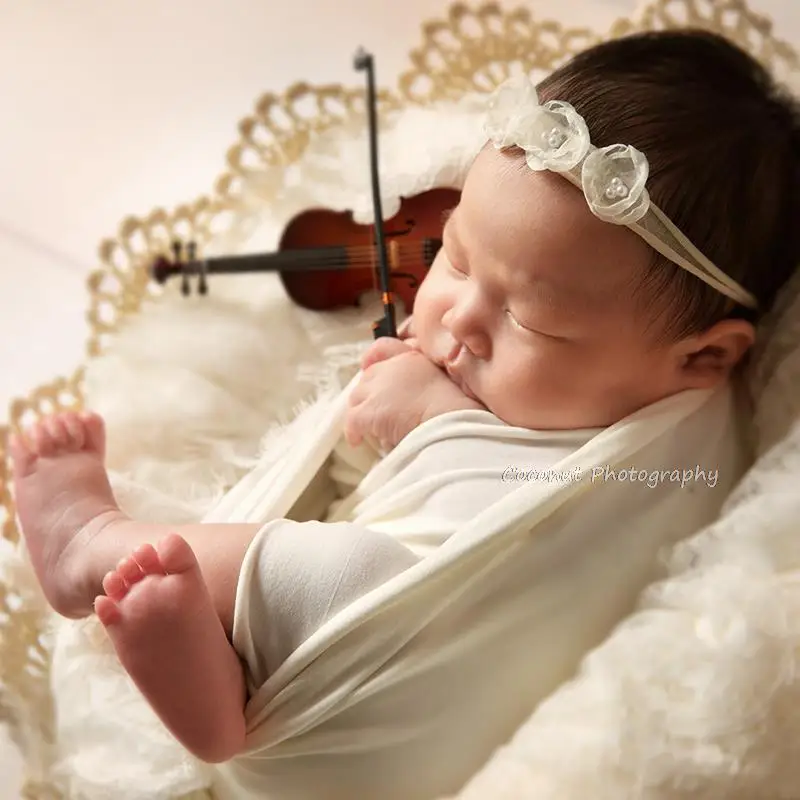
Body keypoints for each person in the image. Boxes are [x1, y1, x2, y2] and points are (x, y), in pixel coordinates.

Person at [9, 28, 800, 798]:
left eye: (530, 321)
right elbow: (381, 488)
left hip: (376, 728)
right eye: (455, 255)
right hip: (367, 735)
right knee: (332, 567)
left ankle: (94, 543)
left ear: (706, 357)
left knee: (344, 569)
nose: (455, 316)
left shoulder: (678, 447)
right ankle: (210, 690)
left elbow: (507, 509)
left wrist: (427, 417)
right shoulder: (653, 385)